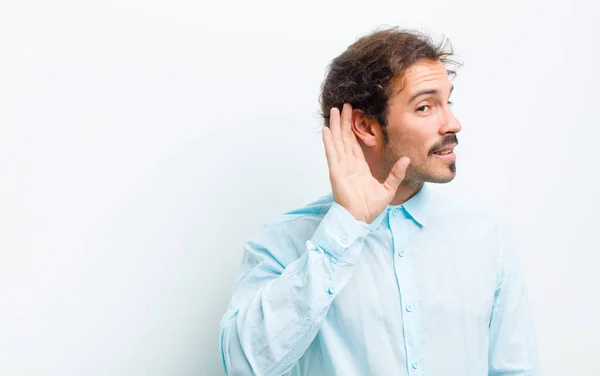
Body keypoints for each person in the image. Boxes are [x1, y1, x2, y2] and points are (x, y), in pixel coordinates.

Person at [219, 27, 540, 376]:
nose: (453, 123)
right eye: (425, 107)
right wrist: (345, 228)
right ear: (366, 127)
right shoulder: (284, 242)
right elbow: (244, 366)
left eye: (448, 102)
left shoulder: (487, 237)